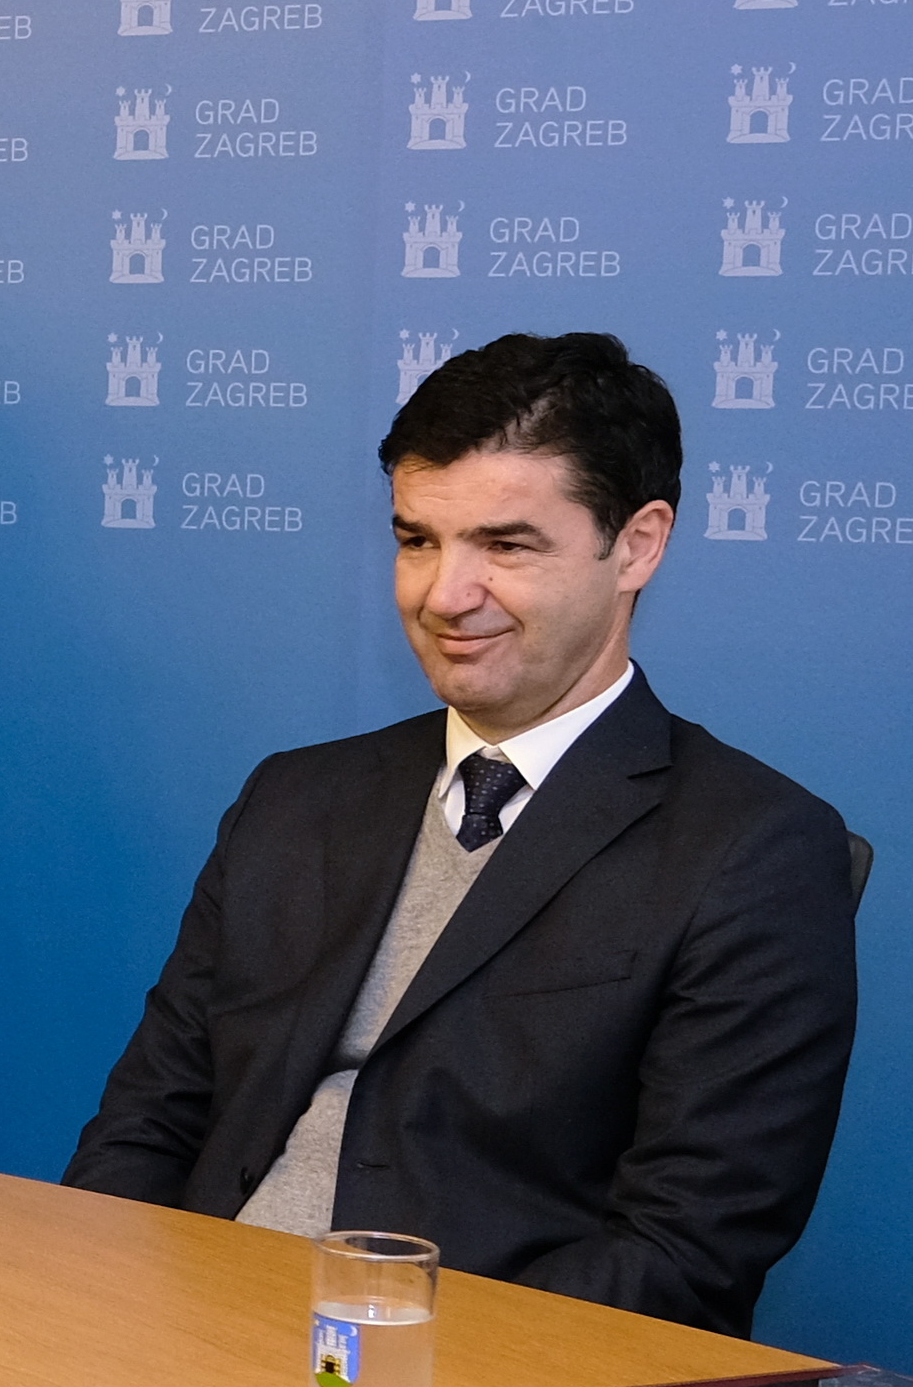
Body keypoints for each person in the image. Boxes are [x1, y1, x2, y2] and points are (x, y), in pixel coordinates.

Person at [69, 335, 855, 1336]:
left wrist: (384, 1369)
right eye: (417, 540)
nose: (444, 594)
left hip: (467, 1384)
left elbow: (681, 1251)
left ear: (638, 545)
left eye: (506, 545)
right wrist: (100, 1306)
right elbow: (148, 1120)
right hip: (182, 1336)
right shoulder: (295, 797)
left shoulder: (752, 849)